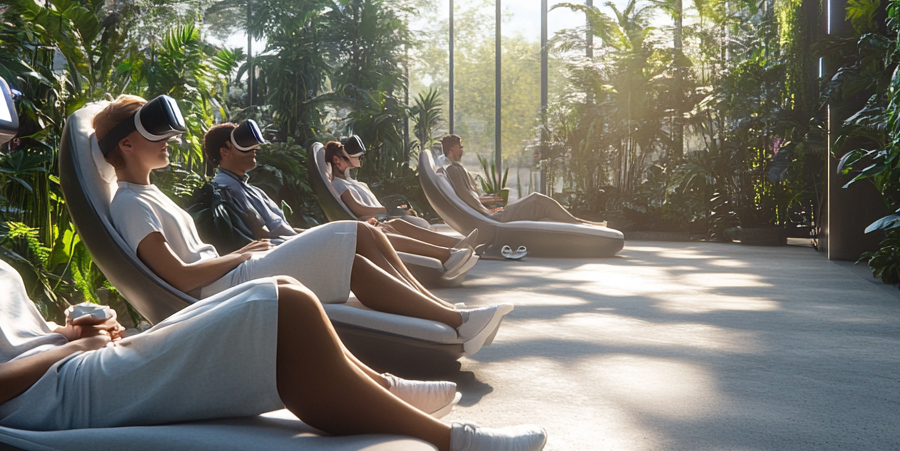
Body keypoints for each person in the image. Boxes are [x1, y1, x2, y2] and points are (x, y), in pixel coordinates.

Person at [0, 76, 547, 451]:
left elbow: (2, 340)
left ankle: (400, 395)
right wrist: (61, 351)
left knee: (281, 296)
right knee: (280, 300)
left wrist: (70, 329)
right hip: (58, 405)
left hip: (75, 372)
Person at [100, 96, 508, 340]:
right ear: (128, 143)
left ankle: (446, 313)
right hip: (227, 285)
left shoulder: (148, 194)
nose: (171, 142)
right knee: (352, 236)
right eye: (161, 137)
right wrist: (240, 255)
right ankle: (454, 317)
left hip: (236, 272)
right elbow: (181, 278)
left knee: (358, 252)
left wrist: (243, 255)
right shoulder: (130, 205)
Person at [208, 124, 476, 282]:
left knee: (371, 230)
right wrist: (316, 236)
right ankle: (447, 255)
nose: (255, 148)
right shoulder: (227, 189)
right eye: (245, 144)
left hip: (289, 242)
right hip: (282, 252)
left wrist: (311, 233)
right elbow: (263, 237)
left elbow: (282, 229)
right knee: (364, 231)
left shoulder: (248, 187)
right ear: (224, 151)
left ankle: (450, 255)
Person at [323, 138, 482, 260]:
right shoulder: (338, 184)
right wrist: (386, 211)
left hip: (379, 217)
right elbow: (357, 209)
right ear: (337, 160)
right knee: (399, 222)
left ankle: (457, 246)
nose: (360, 158)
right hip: (372, 219)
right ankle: (452, 249)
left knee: (405, 220)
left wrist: (390, 210)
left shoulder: (354, 183)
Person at [439, 135, 605, 226]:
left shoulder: (455, 169)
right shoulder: (454, 170)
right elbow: (468, 200)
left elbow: (469, 199)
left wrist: (492, 203)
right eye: (460, 147)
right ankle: (580, 223)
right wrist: (492, 205)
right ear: (453, 150)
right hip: (492, 218)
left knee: (540, 207)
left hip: (491, 214)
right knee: (536, 199)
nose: (462, 150)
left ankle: (579, 222)